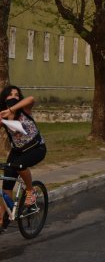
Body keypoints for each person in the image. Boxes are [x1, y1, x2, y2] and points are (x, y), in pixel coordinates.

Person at [0, 85, 47, 227]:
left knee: (20, 166)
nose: (14, 97)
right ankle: (4, 217)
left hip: (36, 148)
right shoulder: (2, 116)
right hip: (18, 151)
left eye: (17, 95)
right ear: (4, 98)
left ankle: (30, 191)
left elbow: (31, 99)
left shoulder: (24, 110)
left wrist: (11, 110)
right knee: (7, 181)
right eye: (10, 95)